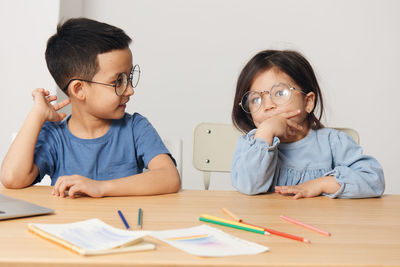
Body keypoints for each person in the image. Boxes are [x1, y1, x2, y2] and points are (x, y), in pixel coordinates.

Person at [0, 18, 180, 198]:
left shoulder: (135, 128)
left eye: (129, 78)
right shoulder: (54, 137)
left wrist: (100, 187)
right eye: (119, 81)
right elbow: (11, 178)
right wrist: (37, 114)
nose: (130, 90)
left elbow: (169, 178)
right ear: (79, 89)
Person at [230, 49, 384, 199]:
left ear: (308, 102)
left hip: (318, 222)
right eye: (255, 99)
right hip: (268, 222)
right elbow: (249, 186)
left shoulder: (332, 142)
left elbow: (374, 180)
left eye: (280, 93)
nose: (267, 105)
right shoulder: (251, 146)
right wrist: (266, 132)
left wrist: (322, 184)